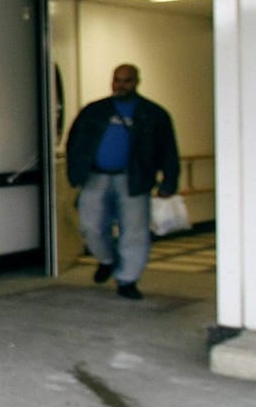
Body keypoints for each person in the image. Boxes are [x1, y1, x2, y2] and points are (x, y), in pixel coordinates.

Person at [64, 63, 179, 300]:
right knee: (90, 225)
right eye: (117, 80)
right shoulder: (94, 111)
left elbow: (168, 150)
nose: (121, 85)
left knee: (135, 231)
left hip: (134, 178)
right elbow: (74, 142)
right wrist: (75, 173)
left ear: (137, 82)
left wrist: (169, 182)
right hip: (96, 176)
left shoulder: (154, 114)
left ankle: (127, 279)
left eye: (126, 80)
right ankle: (107, 259)